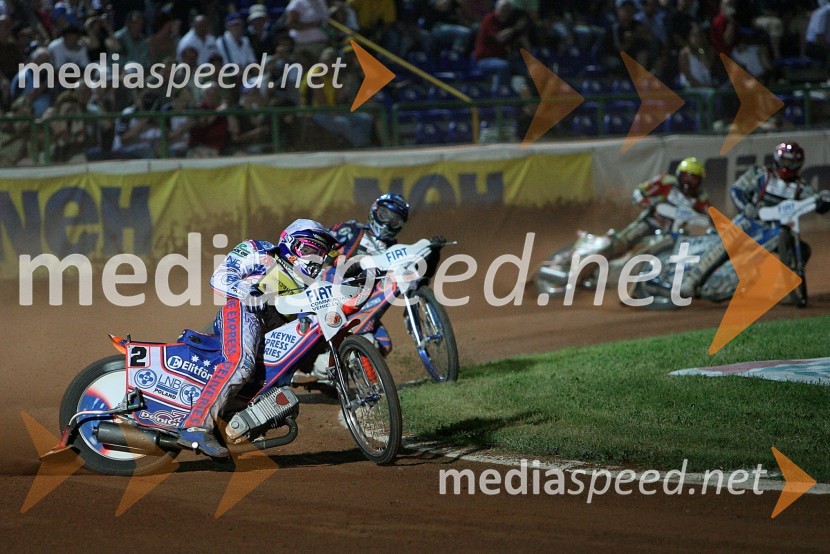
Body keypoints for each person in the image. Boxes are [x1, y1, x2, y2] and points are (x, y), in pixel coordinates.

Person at [178, 219, 337, 457]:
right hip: (243, 311)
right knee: (240, 363)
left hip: (271, 333)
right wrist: (250, 291)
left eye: (320, 254)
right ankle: (196, 425)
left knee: (280, 396)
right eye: (308, 250)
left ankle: (231, 424)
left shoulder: (314, 283)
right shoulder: (259, 250)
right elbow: (220, 276)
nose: (313, 259)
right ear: (290, 242)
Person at [679, 142, 818, 297]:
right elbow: (737, 190)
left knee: (804, 249)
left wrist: (822, 201)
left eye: (793, 162)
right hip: (751, 221)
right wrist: (746, 207)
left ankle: (782, 288)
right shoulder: (761, 173)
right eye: (786, 161)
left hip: (780, 229)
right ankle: (692, 280)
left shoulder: (801, 185)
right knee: (725, 245)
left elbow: (815, 201)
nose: (788, 166)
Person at [603, 157, 711, 260]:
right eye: (685, 177)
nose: (687, 183)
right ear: (678, 175)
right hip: (650, 224)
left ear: (700, 182)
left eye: (693, 180)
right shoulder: (665, 182)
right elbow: (639, 192)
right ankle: (597, 260)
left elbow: (711, 219)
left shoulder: (701, 198)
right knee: (621, 244)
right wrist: (645, 202)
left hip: (675, 237)